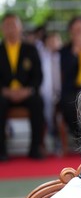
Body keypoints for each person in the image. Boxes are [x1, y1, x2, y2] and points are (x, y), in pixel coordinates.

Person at [0, 13, 46, 160]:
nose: (11, 29)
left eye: (14, 25)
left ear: (20, 28)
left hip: (26, 93)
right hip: (4, 94)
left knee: (38, 102)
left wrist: (28, 90)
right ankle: (1, 151)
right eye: (7, 25)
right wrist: (5, 91)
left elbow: (38, 76)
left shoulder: (30, 49)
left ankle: (35, 148)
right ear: (2, 29)